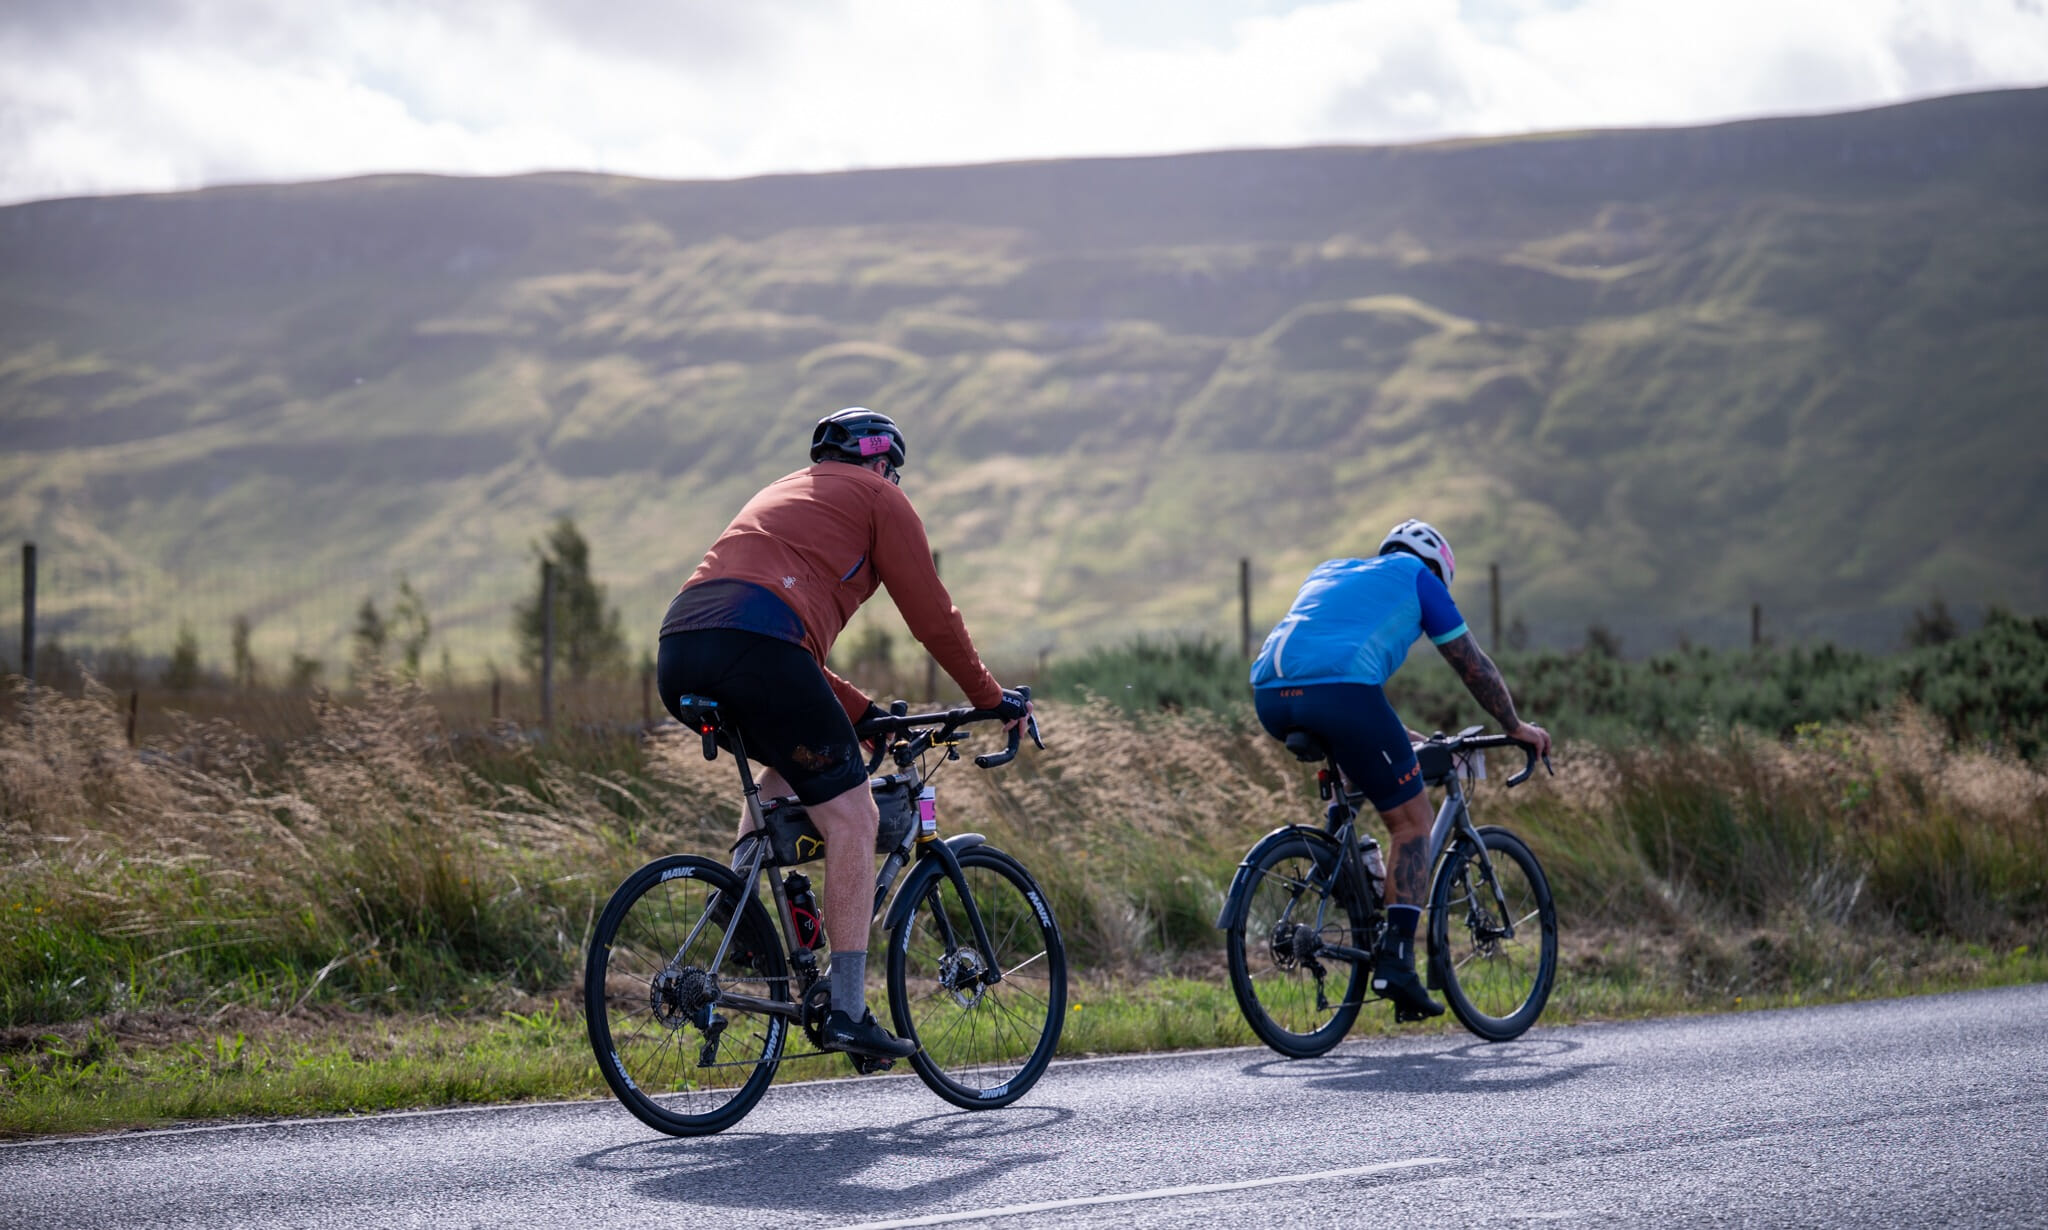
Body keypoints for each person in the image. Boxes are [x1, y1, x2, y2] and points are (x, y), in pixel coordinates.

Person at [656, 407, 1030, 1061]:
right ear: (882, 461)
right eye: (894, 471)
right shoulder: (879, 497)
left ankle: (741, 918)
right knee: (854, 817)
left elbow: (773, 642)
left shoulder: (787, 492)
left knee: (784, 768)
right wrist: (990, 699)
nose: (893, 481)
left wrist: (857, 712)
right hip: (761, 648)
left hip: (681, 646)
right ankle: (850, 1012)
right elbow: (934, 620)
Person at [1248, 519, 1551, 1020]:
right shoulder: (1420, 579)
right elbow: (1473, 666)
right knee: (1412, 823)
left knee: (1356, 765)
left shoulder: (1332, 571)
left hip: (1270, 696)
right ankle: (1397, 962)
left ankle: (1347, 866)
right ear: (1438, 569)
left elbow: (1354, 698)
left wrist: (1412, 741)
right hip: (1343, 695)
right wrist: (1514, 725)